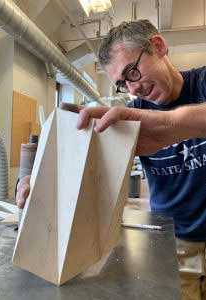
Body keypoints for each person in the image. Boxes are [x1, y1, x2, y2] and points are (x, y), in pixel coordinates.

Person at [16, 20, 206, 299]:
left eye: (133, 71)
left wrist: (168, 124)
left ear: (158, 46)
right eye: (122, 83)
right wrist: (46, 178)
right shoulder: (132, 117)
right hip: (176, 242)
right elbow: (90, 166)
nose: (133, 89)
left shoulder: (202, 83)